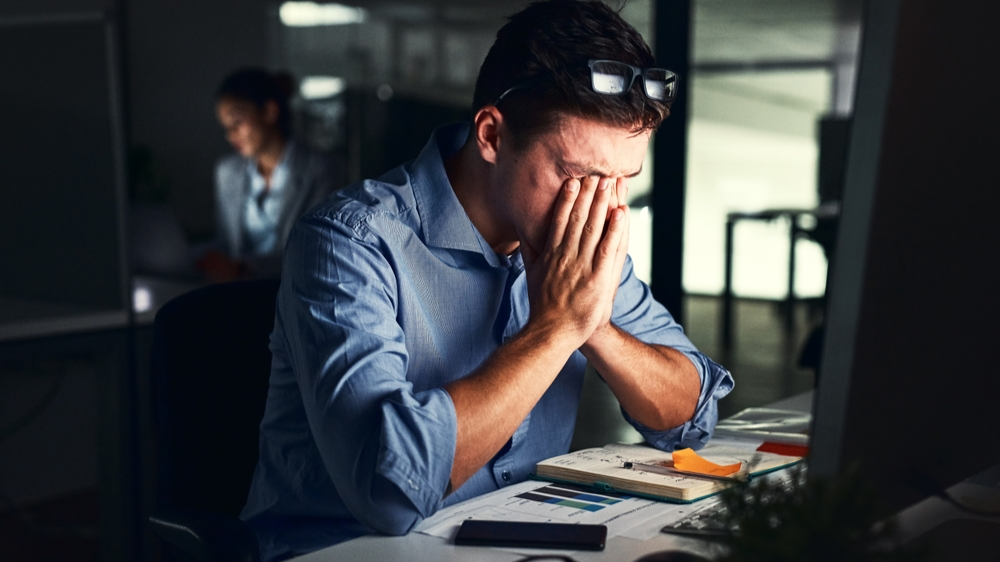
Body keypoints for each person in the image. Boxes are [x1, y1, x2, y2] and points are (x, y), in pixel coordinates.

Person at [241, 2, 734, 559]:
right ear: (493, 135)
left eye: (624, 181)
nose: (603, 209)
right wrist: (555, 329)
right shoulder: (348, 242)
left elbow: (692, 417)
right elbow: (388, 493)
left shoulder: (577, 241)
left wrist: (592, 326)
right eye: (581, 177)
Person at [200, 68, 338, 280]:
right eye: (226, 127)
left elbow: (316, 249)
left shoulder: (318, 169)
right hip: (236, 293)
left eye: (237, 122)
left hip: (294, 291)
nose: (230, 135)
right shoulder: (227, 172)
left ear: (269, 112)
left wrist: (245, 268)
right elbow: (225, 242)